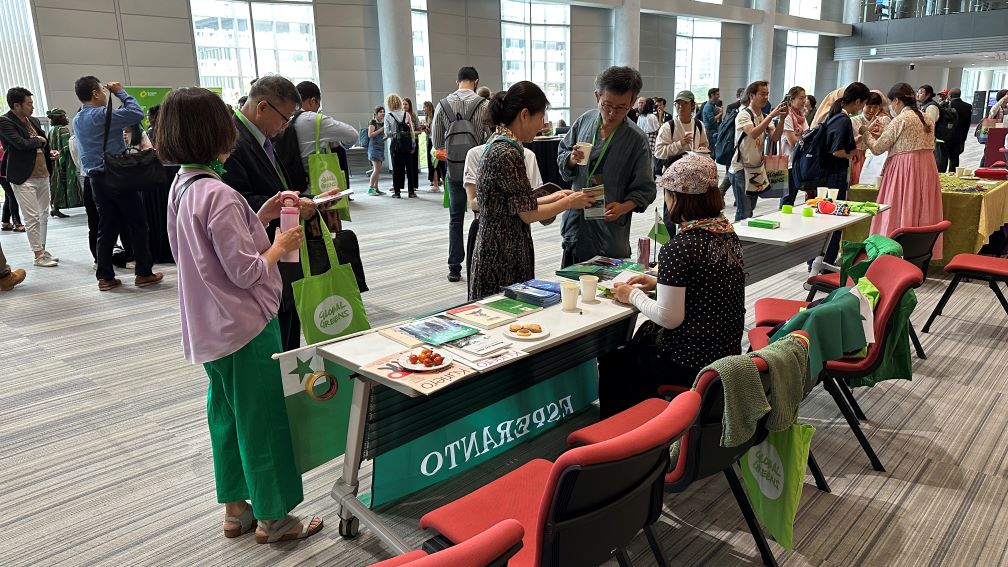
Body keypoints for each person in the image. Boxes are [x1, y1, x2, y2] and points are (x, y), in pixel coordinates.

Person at [158, 86, 323, 545]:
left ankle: (236, 509)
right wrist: (281, 245)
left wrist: (260, 214)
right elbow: (247, 271)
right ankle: (276, 518)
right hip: (244, 327)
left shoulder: (184, 185)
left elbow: (208, 249)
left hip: (208, 326)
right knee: (262, 421)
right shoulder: (219, 193)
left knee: (226, 416)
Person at [598, 153, 744, 418]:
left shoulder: (680, 247)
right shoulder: (725, 233)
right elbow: (706, 285)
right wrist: (659, 282)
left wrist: (632, 295)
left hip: (689, 362)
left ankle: (622, 431)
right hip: (726, 353)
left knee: (614, 360)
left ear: (677, 197)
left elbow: (669, 317)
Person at [468, 82, 593, 300]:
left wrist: (557, 196)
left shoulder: (501, 144)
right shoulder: (507, 153)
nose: (542, 125)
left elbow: (516, 203)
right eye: (540, 117)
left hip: (499, 248)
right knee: (505, 311)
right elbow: (528, 214)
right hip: (502, 254)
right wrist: (569, 202)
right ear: (525, 115)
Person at [222, 74, 317, 352]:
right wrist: (290, 206)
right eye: (284, 118)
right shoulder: (233, 142)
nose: (285, 126)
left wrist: (306, 201)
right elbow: (239, 201)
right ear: (262, 107)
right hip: (262, 252)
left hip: (279, 247)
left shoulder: (260, 138)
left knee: (288, 321)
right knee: (278, 334)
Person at [557, 66, 656, 265]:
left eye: (621, 108)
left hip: (609, 230)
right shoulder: (584, 121)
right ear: (597, 96)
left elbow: (646, 189)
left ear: (632, 103)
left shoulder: (636, 139)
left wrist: (623, 207)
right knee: (569, 279)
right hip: (576, 225)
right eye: (607, 105)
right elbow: (563, 155)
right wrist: (571, 159)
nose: (612, 113)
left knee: (604, 282)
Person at [72, 76, 162, 290]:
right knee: (137, 224)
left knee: (106, 227)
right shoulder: (102, 114)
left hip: (95, 179)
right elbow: (136, 113)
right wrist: (120, 91)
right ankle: (144, 273)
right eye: (102, 91)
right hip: (117, 176)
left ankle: (105, 277)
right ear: (95, 93)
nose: (105, 94)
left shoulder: (77, 119)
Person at [860, 82, 944, 259]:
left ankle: (892, 251)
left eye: (892, 103)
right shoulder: (926, 118)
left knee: (899, 207)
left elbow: (877, 149)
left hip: (904, 168)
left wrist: (865, 132)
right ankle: (917, 251)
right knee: (921, 207)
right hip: (926, 166)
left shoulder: (901, 119)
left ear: (896, 101)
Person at [431, 66, 493, 283]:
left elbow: (437, 142)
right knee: (483, 217)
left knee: (455, 219)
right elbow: (490, 139)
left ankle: (454, 267)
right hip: (479, 170)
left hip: (455, 168)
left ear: (457, 82)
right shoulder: (484, 105)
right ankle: (481, 262)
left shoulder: (442, 105)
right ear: (476, 82)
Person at [0, 87, 58, 267]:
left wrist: (49, 152)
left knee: (43, 214)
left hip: (42, 172)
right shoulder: (5, 121)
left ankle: (43, 249)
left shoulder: (33, 120)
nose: (32, 107)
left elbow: (41, 144)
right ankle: (38, 255)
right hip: (23, 176)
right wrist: (38, 141)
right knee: (31, 217)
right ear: (16, 105)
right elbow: (20, 143)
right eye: (29, 103)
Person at [818, 82, 870, 264]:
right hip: (835, 174)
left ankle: (820, 260)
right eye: (864, 104)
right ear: (858, 101)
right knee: (834, 219)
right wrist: (852, 153)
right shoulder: (843, 120)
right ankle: (826, 262)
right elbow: (837, 151)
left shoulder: (834, 115)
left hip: (828, 174)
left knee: (825, 216)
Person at [729, 80, 786, 221]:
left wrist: (782, 119)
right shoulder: (744, 115)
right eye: (762, 94)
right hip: (741, 168)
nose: (765, 97)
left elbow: (775, 137)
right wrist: (771, 116)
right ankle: (738, 234)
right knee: (744, 211)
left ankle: (745, 233)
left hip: (756, 169)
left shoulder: (764, 116)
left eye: (767, 94)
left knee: (750, 210)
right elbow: (753, 133)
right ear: (751, 95)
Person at [290, 80, 358, 186]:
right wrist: (339, 144)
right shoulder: (315, 119)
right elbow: (353, 135)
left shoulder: (287, 118)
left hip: (291, 182)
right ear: (313, 101)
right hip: (314, 183)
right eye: (318, 105)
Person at [654, 90, 710, 169]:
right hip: (673, 171)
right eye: (678, 103)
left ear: (692, 105)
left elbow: (704, 145)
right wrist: (680, 144)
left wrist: (702, 149)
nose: (681, 106)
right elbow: (659, 152)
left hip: (694, 169)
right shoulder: (668, 127)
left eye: (685, 103)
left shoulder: (699, 125)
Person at [849, 90, 891, 185]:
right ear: (863, 105)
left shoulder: (884, 120)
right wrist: (866, 131)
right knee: (858, 184)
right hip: (859, 156)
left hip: (878, 158)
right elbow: (850, 143)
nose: (872, 110)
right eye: (869, 107)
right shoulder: (853, 121)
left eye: (875, 107)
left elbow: (888, 140)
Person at [46, 108, 80, 218]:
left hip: (54, 162)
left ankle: (55, 207)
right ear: (60, 118)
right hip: (63, 163)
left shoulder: (51, 130)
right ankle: (57, 207)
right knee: (65, 185)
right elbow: (67, 148)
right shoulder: (63, 130)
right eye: (64, 116)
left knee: (56, 185)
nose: (67, 118)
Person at [778, 86, 808, 207]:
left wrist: (803, 139)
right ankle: (782, 217)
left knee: (792, 197)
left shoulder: (801, 116)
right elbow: (793, 142)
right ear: (791, 99)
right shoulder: (787, 116)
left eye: (805, 98)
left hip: (798, 161)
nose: (804, 101)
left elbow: (808, 135)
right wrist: (804, 139)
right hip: (788, 162)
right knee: (787, 198)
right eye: (801, 98)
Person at [384, 94, 417, 199]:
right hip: (406, 144)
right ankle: (411, 191)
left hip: (395, 144)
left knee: (396, 168)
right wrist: (413, 144)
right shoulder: (406, 114)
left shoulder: (388, 116)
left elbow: (386, 133)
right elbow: (411, 131)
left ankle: (397, 192)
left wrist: (394, 134)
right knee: (409, 168)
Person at [917, 84, 947, 168]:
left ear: (928, 95)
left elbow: (930, 125)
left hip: (935, 139)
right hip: (929, 140)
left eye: (921, 92)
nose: (918, 94)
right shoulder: (924, 105)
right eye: (917, 92)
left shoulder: (931, 107)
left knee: (935, 164)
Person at [945, 88, 972, 173]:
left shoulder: (946, 105)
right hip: (959, 136)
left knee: (943, 158)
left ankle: (941, 174)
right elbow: (967, 124)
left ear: (950, 95)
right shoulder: (967, 106)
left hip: (946, 135)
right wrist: (964, 138)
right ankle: (953, 174)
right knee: (955, 158)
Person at [0, 142, 24, 232]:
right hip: (3, 173)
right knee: (13, 196)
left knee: (9, 196)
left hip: (6, 172)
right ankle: (17, 223)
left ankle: (5, 222)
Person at [422, 101, 444, 192]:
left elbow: (435, 131)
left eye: (424, 107)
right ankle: (435, 184)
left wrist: (426, 128)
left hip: (436, 142)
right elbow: (429, 133)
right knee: (432, 163)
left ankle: (439, 183)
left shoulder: (435, 117)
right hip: (430, 141)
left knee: (439, 163)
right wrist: (425, 129)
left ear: (429, 107)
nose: (423, 109)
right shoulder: (427, 118)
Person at [403, 97, 422, 197]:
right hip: (403, 143)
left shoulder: (413, 116)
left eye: (406, 104)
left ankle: (414, 185)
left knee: (413, 164)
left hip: (413, 141)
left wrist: (411, 133)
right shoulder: (401, 116)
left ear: (409, 105)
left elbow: (419, 130)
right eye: (403, 104)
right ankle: (399, 185)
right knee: (402, 164)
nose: (404, 106)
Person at [367, 106, 386, 195]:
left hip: (380, 148)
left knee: (378, 170)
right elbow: (370, 134)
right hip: (374, 148)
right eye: (380, 112)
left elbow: (382, 136)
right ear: (376, 113)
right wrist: (381, 130)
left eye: (383, 111)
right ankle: (371, 188)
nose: (383, 113)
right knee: (376, 169)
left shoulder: (382, 123)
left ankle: (376, 188)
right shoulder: (373, 122)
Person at [636, 97, 660, 163]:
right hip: (652, 137)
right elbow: (657, 128)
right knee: (651, 158)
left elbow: (637, 127)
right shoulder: (652, 116)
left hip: (642, 137)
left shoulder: (640, 116)